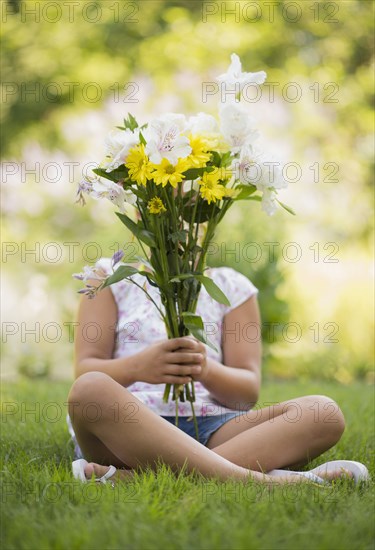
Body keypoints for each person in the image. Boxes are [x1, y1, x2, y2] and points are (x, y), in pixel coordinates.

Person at [68, 260, 369, 486]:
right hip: (128, 427)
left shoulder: (233, 286)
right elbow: (85, 367)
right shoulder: (109, 276)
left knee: (323, 413)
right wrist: (137, 367)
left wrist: (206, 369)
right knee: (89, 389)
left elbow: (246, 392)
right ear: (142, 203)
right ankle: (269, 482)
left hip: (214, 427)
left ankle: (131, 478)